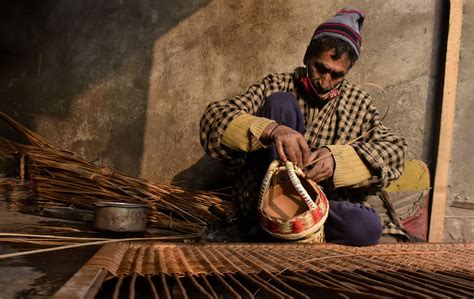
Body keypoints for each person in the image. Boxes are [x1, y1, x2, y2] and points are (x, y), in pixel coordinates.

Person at [200, 8, 407, 246]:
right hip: (263, 202)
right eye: (320, 68)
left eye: (336, 75)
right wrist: (273, 130)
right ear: (307, 56)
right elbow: (214, 118)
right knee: (280, 102)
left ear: (347, 71)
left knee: (366, 228)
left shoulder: (357, 102)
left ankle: (294, 232)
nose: (325, 81)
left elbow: (395, 152)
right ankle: (271, 219)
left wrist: (337, 160)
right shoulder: (276, 84)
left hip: (316, 211)